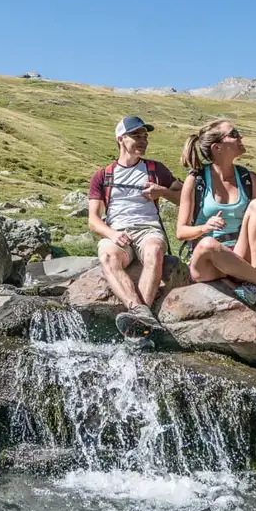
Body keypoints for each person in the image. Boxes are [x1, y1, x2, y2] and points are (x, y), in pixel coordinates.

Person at [176, 120, 256, 305]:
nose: (241, 138)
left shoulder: (248, 178)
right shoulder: (196, 180)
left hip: (240, 254)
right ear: (217, 147)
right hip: (208, 263)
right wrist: (205, 227)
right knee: (208, 244)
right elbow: (181, 232)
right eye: (234, 134)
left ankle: (253, 286)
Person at [88, 116, 182, 347]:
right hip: (117, 232)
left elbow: (185, 197)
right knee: (108, 256)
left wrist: (162, 192)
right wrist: (111, 234)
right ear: (121, 139)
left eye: (145, 136)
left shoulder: (155, 169)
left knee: (155, 251)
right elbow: (93, 220)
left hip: (148, 229)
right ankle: (141, 314)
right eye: (137, 136)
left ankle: (139, 321)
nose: (143, 140)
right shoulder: (103, 175)